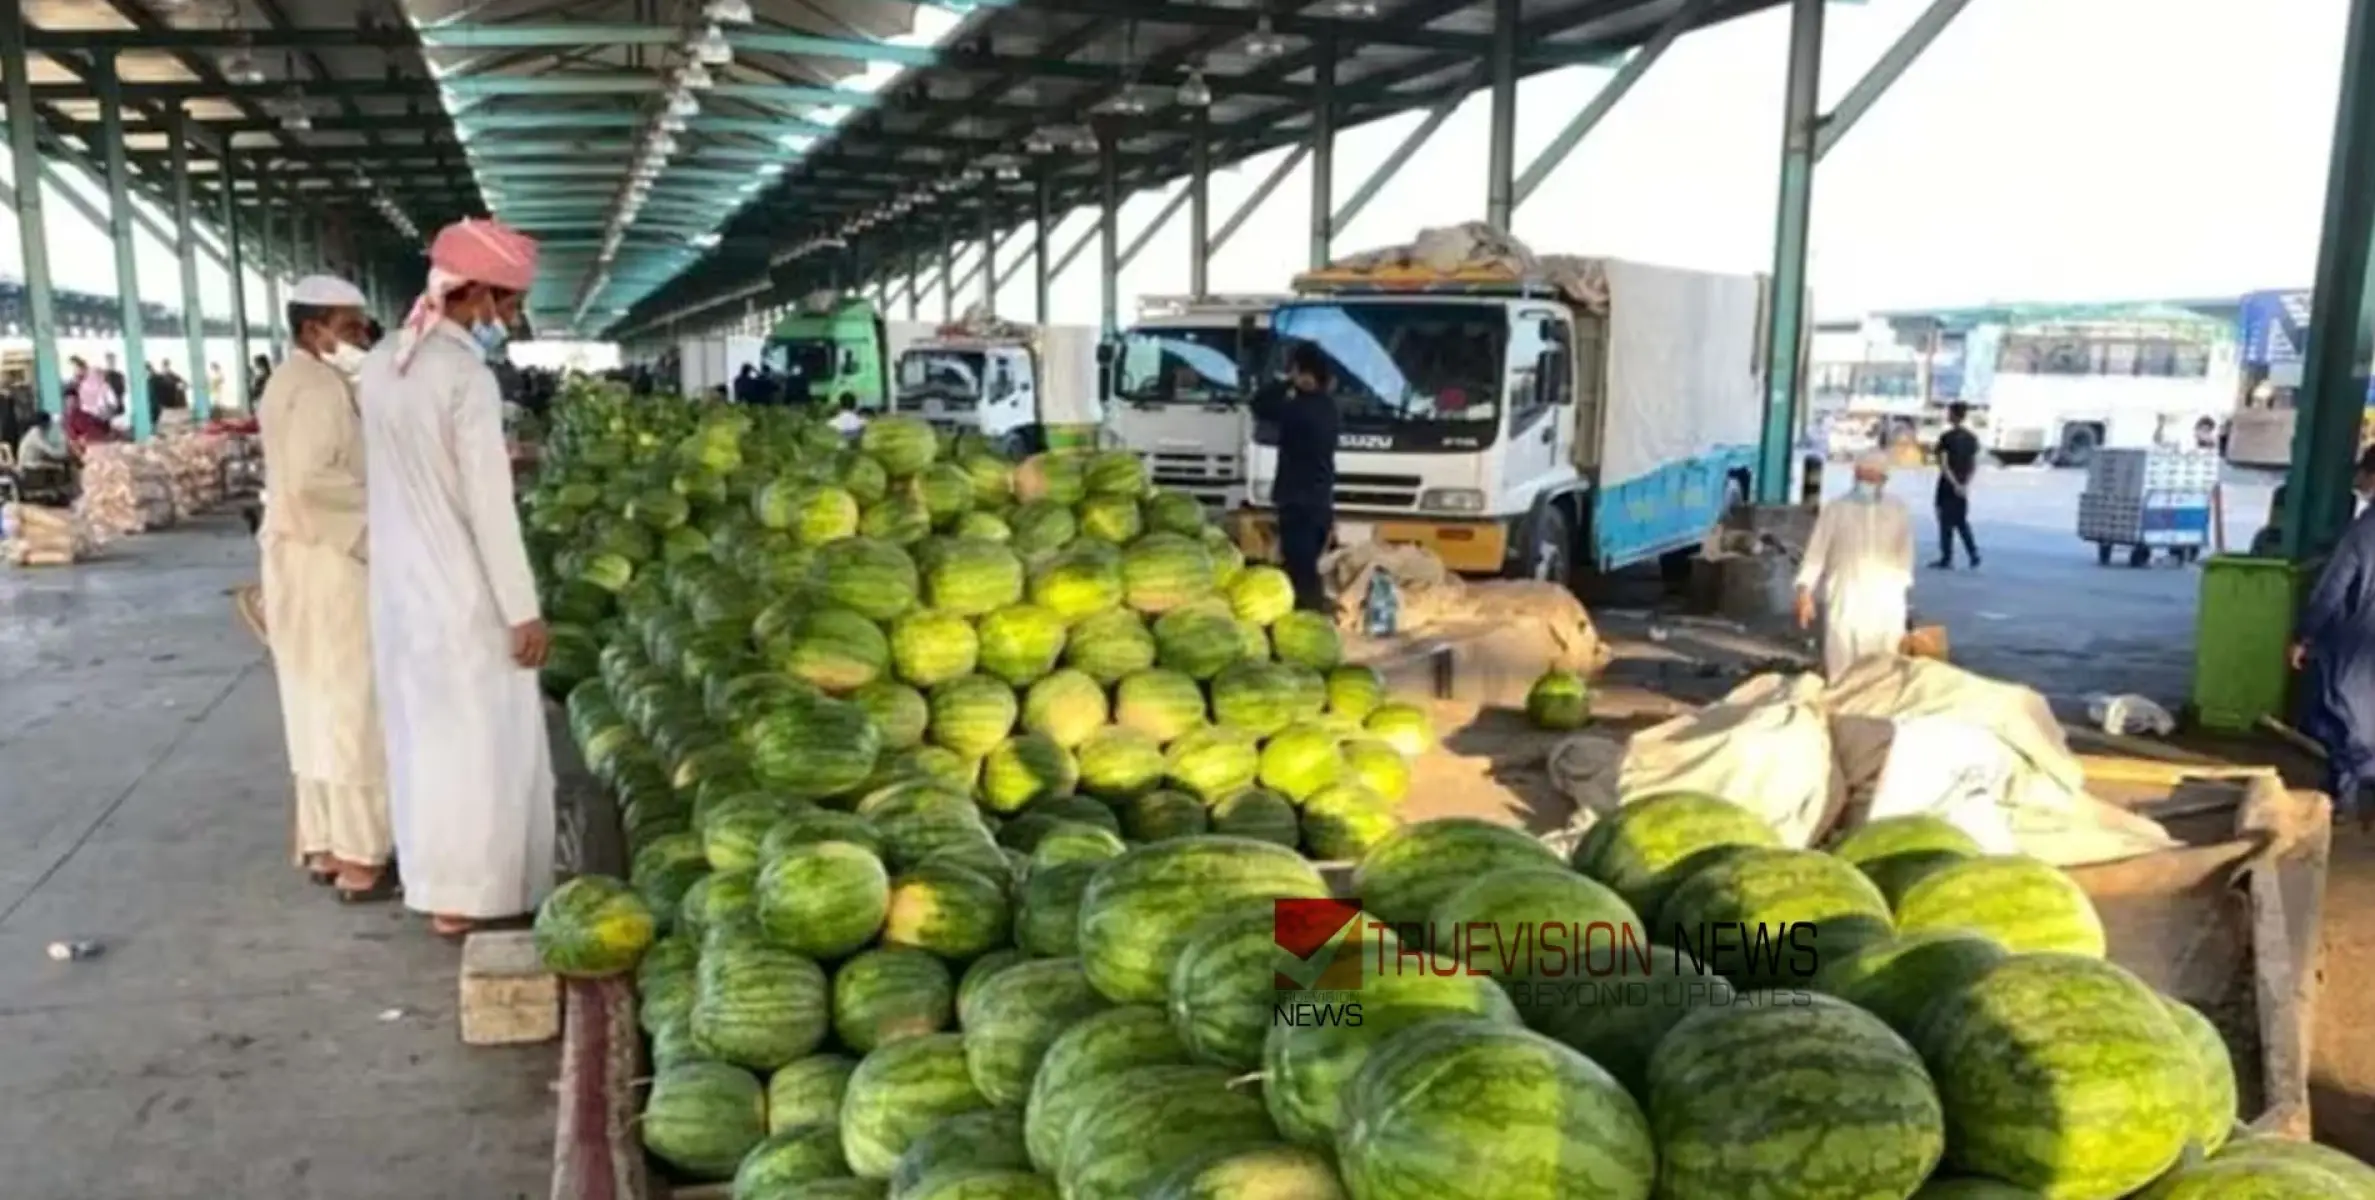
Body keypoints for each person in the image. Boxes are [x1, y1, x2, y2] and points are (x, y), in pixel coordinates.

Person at [354, 218, 554, 940]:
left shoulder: (382, 363)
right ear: (472, 294)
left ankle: (438, 887)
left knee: (421, 743)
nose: (510, 319)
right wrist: (522, 610)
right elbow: (489, 510)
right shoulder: (463, 375)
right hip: (464, 591)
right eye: (506, 304)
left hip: (400, 590)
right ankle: (481, 896)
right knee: (484, 747)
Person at [257, 275, 395, 902]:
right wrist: (385, 520)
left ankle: (323, 845)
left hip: (296, 558)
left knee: (311, 705)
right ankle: (361, 857)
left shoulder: (288, 379)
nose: (361, 336)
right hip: (331, 559)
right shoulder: (317, 389)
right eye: (349, 325)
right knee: (352, 708)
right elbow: (316, 481)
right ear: (313, 329)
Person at [2292, 447, 2375, 826]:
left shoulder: (2362, 532)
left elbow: (2332, 589)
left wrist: (2304, 634)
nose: (2357, 481)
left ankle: (2344, 796)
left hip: (2354, 643)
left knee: (2339, 718)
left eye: (2361, 473)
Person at [1795, 450, 1916, 680]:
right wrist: (1804, 591)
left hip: (1886, 603)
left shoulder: (1897, 510)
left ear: (1883, 480)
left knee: (1884, 668)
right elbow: (1816, 553)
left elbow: (1905, 556)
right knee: (1842, 663)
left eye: (1873, 477)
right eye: (1864, 476)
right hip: (1846, 598)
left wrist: (1904, 595)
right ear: (1855, 475)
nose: (1867, 482)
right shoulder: (1836, 509)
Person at [1250, 342, 1339, 612]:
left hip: (1298, 501)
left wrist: (1285, 383)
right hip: (1319, 500)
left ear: (1302, 373)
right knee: (1306, 565)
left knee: (1300, 568)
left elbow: (1259, 404)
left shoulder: (1299, 409)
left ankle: (1310, 612)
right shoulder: (1327, 408)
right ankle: (1311, 608)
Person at [1931, 401, 1982, 569]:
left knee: (1945, 520)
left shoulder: (1946, 438)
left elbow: (1944, 465)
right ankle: (1973, 553)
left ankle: (1947, 557)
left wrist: (1953, 483)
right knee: (1961, 520)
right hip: (1963, 483)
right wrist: (1965, 484)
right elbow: (1974, 464)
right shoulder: (1972, 438)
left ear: (1953, 414)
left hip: (1948, 484)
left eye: (1949, 412)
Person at [66, 356, 117, 442]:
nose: (75, 373)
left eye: (76, 369)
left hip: (97, 420)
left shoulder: (100, 384)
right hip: (87, 420)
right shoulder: (78, 385)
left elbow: (111, 403)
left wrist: (104, 413)